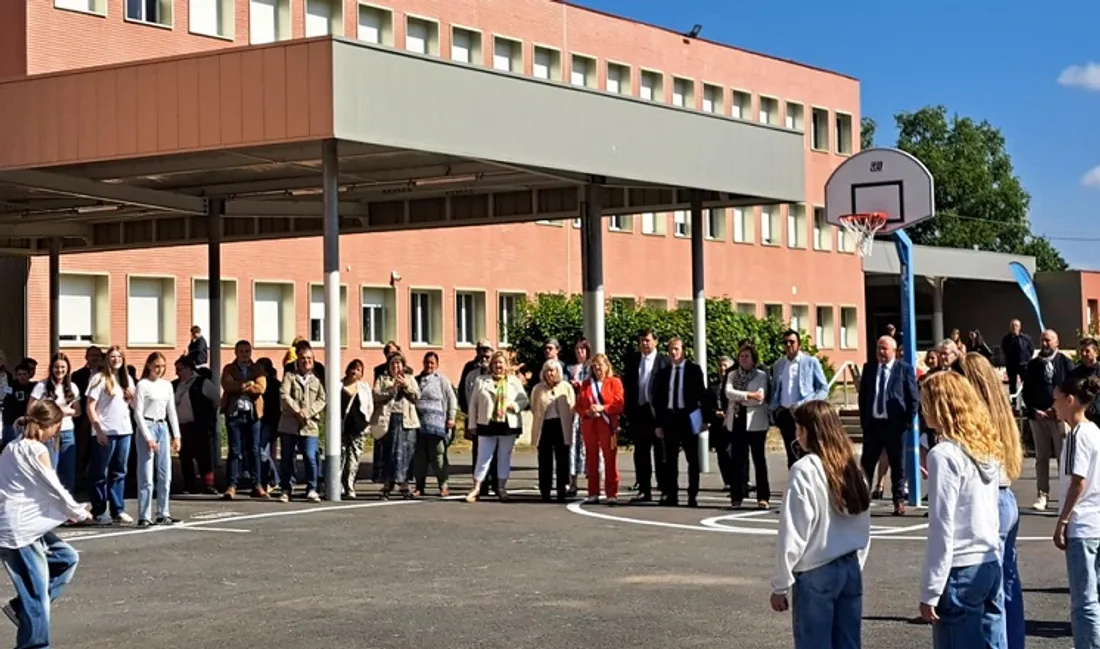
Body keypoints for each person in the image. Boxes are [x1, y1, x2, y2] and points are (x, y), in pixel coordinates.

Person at [770, 400, 871, 649]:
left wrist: (781, 584)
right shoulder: (853, 467)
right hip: (849, 566)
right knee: (849, 642)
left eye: (798, 428)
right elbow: (864, 525)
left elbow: (794, 531)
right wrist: (857, 563)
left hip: (815, 569)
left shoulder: (804, 470)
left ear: (806, 431)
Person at [918, 371, 1004, 648]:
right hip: (989, 560)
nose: (921, 409)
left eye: (925, 401)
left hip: (960, 567)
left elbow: (942, 526)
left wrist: (930, 589)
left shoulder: (943, 455)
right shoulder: (984, 448)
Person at [0, 400, 90, 649]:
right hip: (19, 531)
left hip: (23, 525)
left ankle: (20, 609)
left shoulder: (11, 446)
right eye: (56, 429)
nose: (55, 434)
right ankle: (34, 644)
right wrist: (78, 512)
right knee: (37, 594)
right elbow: (53, 485)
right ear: (52, 426)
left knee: (66, 557)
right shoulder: (35, 450)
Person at [959, 352, 1026, 649]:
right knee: (1008, 582)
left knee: (991, 589)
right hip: (1007, 495)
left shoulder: (976, 414)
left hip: (991, 499)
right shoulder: (1001, 409)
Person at [1051, 373, 1100, 649]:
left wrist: (1063, 520)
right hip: (1097, 520)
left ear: (1070, 401)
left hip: (1083, 525)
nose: (1054, 405)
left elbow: (1077, 481)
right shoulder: (1095, 431)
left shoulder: (1077, 436)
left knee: (1084, 600)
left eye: (1057, 399)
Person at [858, 335, 919, 516]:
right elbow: (863, 397)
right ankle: (862, 499)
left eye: (884, 349)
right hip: (874, 425)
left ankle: (898, 501)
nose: (881, 352)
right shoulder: (869, 369)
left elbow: (913, 397)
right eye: (878, 348)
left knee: (897, 465)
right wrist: (865, 421)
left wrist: (907, 420)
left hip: (895, 425)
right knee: (867, 464)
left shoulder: (904, 369)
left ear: (893, 351)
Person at [651, 337, 707, 508]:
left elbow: (702, 396)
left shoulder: (694, 370)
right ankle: (672, 494)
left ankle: (692, 495)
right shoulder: (663, 372)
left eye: (676, 349)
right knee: (670, 460)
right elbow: (658, 399)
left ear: (683, 350)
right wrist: (658, 424)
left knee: (692, 459)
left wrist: (704, 419)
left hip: (688, 417)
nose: (673, 353)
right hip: (670, 418)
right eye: (670, 349)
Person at [465, 351, 528, 503]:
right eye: (495, 363)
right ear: (491, 365)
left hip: (507, 423)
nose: (498, 366)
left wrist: (514, 406)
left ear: (506, 365)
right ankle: (477, 487)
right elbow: (473, 404)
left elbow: (524, 400)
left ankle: (501, 487)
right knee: (483, 457)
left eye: (501, 363)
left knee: (504, 457)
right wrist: (472, 424)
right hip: (487, 424)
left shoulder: (513, 381)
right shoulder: (481, 380)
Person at [1023, 329, 1074, 512]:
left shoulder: (1065, 363)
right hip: (1038, 418)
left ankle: (1064, 494)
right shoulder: (1033, 365)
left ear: (1056, 342)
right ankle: (1042, 494)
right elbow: (1026, 390)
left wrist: (1058, 409)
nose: (1044, 344)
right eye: (1042, 341)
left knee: (1063, 456)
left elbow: (1071, 389)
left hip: (1059, 417)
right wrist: (1034, 410)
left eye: (1048, 341)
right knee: (1041, 457)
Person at [85, 346, 136, 525]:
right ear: (107, 359)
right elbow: (90, 406)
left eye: (119, 356)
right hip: (105, 431)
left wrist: (131, 397)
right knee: (100, 472)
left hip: (124, 431)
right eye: (112, 356)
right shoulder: (99, 378)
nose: (116, 359)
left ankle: (118, 509)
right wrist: (98, 430)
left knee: (119, 471)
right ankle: (99, 510)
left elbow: (133, 406)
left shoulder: (126, 378)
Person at [133, 352, 181, 528]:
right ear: (149, 366)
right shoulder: (143, 385)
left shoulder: (167, 385)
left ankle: (163, 512)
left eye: (162, 366)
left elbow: (171, 411)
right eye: (156, 366)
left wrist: (176, 435)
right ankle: (144, 515)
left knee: (165, 473)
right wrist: (148, 437)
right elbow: (137, 413)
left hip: (162, 426)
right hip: (147, 424)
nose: (159, 370)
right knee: (146, 475)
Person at [770, 330, 829, 468]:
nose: (788, 345)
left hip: (803, 413)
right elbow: (776, 389)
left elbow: (823, 388)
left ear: (799, 344)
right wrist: (773, 409)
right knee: (790, 451)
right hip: (785, 413)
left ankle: (808, 484)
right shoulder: (779, 365)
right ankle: (793, 483)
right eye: (785, 342)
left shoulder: (810, 362)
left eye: (792, 342)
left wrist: (810, 404)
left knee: (806, 450)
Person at [624, 329, 669, 503]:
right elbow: (629, 385)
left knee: (661, 453)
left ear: (655, 342)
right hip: (639, 412)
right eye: (642, 340)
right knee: (641, 452)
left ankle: (664, 489)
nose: (645, 344)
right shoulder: (634, 359)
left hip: (657, 413)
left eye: (648, 340)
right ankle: (644, 489)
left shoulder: (663, 361)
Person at [277, 345, 326, 503]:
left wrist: (308, 412)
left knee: (310, 457)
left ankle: (312, 488)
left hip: (309, 425)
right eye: (303, 358)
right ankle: (286, 488)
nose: (306, 361)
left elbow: (322, 400)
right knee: (287, 458)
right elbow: (284, 395)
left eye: (309, 359)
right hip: (289, 424)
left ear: (313, 361)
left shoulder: (317, 381)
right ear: (298, 361)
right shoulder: (290, 377)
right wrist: (297, 410)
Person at [27, 353, 81, 494]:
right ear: (51, 368)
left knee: (68, 471)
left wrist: (65, 412)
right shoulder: (42, 386)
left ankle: (68, 506)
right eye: (56, 367)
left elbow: (78, 412)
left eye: (63, 367)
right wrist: (53, 412)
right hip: (49, 433)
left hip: (68, 431)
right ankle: (49, 503)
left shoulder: (73, 387)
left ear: (68, 368)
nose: (59, 370)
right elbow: (30, 409)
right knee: (50, 469)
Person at [220, 340, 267, 500]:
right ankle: (231, 485)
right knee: (234, 451)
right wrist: (246, 385)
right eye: (241, 351)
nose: (245, 354)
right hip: (234, 414)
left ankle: (257, 484)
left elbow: (261, 388)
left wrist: (240, 386)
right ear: (236, 352)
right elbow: (227, 385)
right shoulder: (229, 368)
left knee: (254, 450)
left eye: (247, 351)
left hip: (253, 415)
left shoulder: (257, 369)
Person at [575, 353, 624, 505]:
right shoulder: (586, 384)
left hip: (609, 426)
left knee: (610, 459)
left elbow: (619, 404)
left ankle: (611, 493)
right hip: (590, 426)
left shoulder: (614, 382)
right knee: (591, 459)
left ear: (607, 366)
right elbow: (579, 406)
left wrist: (603, 408)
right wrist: (587, 412)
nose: (598, 370)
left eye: (600, 366)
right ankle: (593, 492)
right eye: (594, 367)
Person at [726, 344, 770, 509]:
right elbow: (728, 393)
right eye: (741, 356)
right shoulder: (732, 375)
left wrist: (743, 397)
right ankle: (737, 496)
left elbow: (760, 397)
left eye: (747, 356)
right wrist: (747, 395)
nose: (743, 359)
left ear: (753, 360)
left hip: (756, 422)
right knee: (737, 460)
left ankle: (763, 496)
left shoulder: (761, 376)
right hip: (737, 419)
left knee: (759, 460)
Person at [372, 351, 421, 500]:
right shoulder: (382, 379)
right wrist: (391, 390)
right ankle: (387, 484)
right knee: (388, 453)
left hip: (407, 421)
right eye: (393, 363)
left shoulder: (410, 378)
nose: (396, 366)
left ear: (403, 366)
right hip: (388, 420)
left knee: (405, 454)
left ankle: (404, 485)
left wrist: (406, 386)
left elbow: (417, 397)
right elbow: (376, 396)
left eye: (398, 363)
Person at [172, 356, 220, 495]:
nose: (177, 373)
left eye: (179, 369)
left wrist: (207, 417)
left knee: (204, 455)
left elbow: (216, 400)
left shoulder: (202, 383)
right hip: (181, 426)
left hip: (199, 426)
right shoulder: (175, 385)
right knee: (185, 457)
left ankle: (208, 484)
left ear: (189, 368)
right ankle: (189, 485)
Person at [530, 360, 575, 503]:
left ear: (558, 372)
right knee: (544, 460)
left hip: (561, 425)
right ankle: (545, 490)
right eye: (547, 370)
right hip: (544, 426)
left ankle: (562, 490)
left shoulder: (566, 387)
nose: (550, 373)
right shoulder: (538, 389)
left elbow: (572, 406)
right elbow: (533, 406)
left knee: (562, 459)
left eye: (553, 370)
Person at [413, 352, 455, 498]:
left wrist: (451, 418)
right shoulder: (416, 380)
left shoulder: (441, 380)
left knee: (438, 456)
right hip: (419, 426)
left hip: (437, 426)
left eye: (432, 363)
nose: (429, 365)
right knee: (420, 458)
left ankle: (443, 485)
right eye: (427, 362)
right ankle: (419, 486)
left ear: (436, 364)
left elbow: (451, 399)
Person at [339, 359, 373, 499]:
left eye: (358, 370)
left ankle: (350, 485)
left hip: (358, 429)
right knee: (340, 458)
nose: (355, 372)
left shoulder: (364, 388)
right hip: (342, 428)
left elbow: (369, 406)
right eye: (353, 368)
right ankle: (338, 484)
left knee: (354, 459)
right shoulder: (338, 386)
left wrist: (367, 423)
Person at [565, 339, 593, 497]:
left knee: (589, 446)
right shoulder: (569, 368)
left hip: (587, 411)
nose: (580, 352)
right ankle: (573, 482)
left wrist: (580, 385)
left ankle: (593, 481)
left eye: (582, 349)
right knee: (573, 446)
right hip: (573, 410)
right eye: (577, 349)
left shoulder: (591, 368)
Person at [1, 362, 35, 453]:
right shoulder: (10, 387)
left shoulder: (34, 388)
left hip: (28, 423)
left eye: (24, 374)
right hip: (12, 423)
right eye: (19, 374)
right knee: (10, 448)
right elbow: (6, 401)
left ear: (29, 375)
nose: (22, 377)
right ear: (16, 375)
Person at [1001, 319, 1034, 395]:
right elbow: (1004, 350)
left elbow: (1031, 349)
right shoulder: (1006, 339)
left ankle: (1026, 399)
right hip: (1011, 365)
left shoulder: (1026, 338)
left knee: (1026, 383)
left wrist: (1026, 359)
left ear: (1020, 327)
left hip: (1024, 364)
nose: (1014, 327)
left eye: (1016, 326)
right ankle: (1013, 401)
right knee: (1012, 384)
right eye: (1012, 326)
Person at [1072, 337, 1100, 426]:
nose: (1084, 354)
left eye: (1087, 351)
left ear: (1096, 352)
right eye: (1082, 351)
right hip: (1082, 419)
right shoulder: (1075, 373)